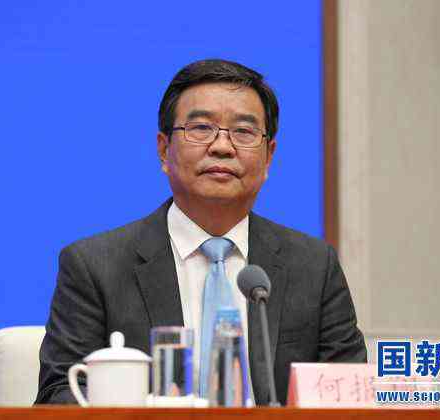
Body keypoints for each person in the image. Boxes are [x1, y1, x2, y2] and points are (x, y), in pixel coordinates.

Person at [35, 59, 366, 406]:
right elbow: (59, 396)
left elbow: (352, 393)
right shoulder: (95, 266)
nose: (222, 146)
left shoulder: (314, 266)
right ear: (164, 150)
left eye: (243, 131)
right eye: (201, 128)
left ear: (269, 157)